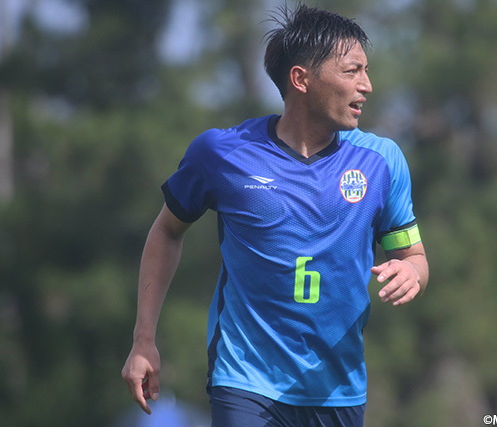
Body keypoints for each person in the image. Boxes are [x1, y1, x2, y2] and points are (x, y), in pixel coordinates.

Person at [122, 4, 429, 427]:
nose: (367, 85)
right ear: (301, 79)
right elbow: (167, 231)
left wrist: (412, 272)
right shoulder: (222, 154)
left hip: (338, 388)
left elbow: (414, 256)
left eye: (366, 71)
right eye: (352, 71)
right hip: (246, 380)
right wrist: (143, 340)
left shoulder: (382, 162)